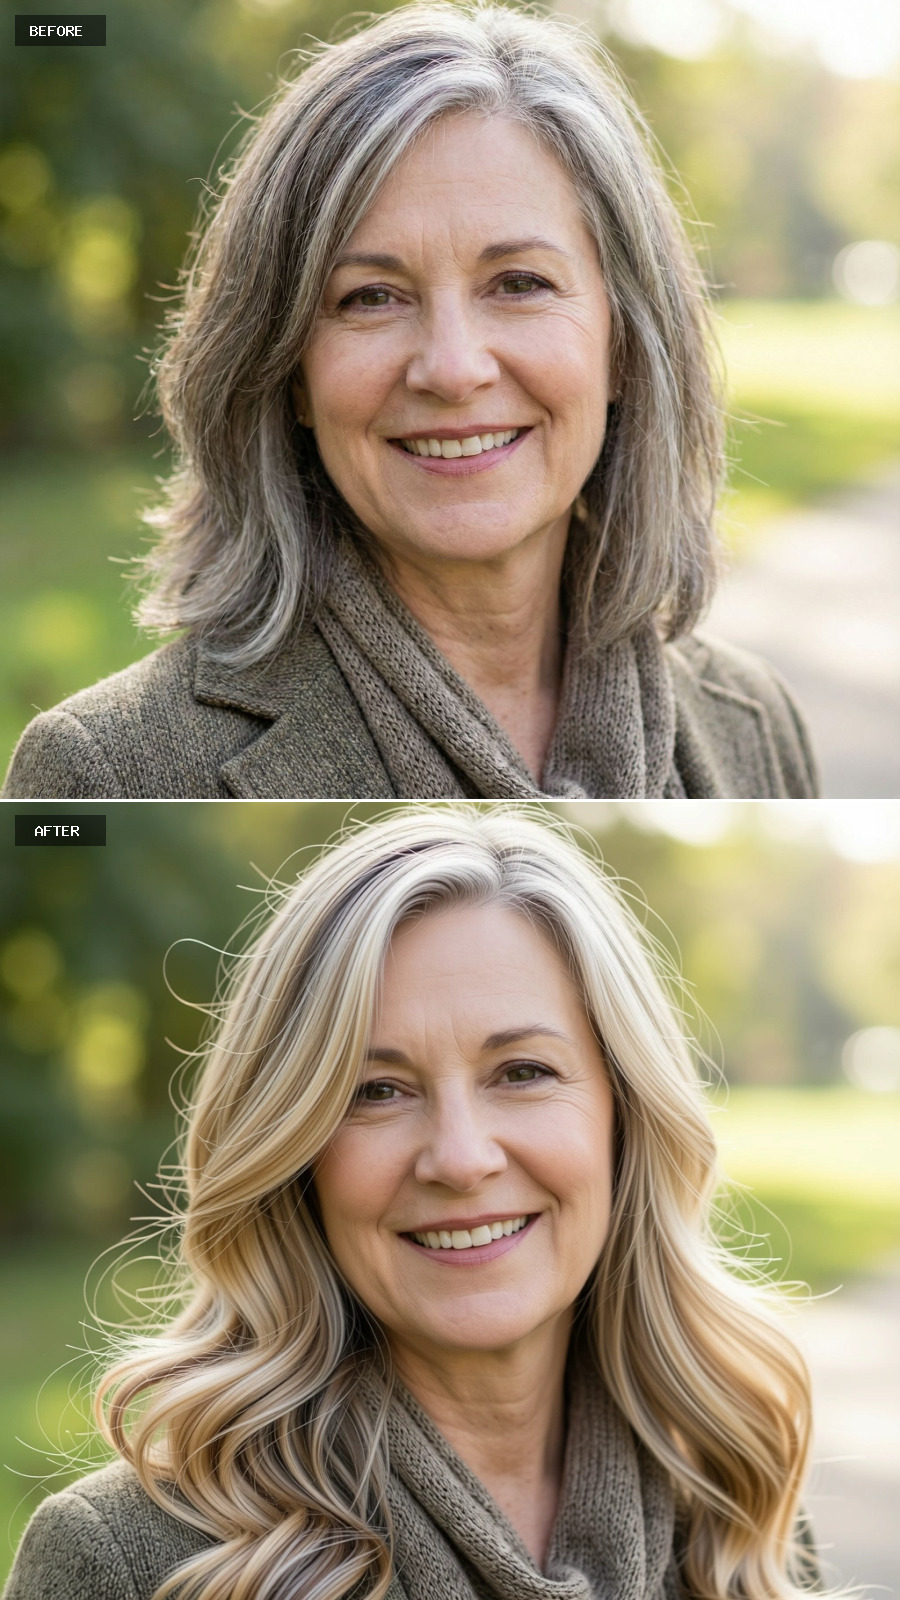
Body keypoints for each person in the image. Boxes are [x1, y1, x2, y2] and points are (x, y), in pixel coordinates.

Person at [4, 807, 826, 1600]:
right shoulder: (123, 1561)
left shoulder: (735, 1516)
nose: (461, 1159)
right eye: (378, 1090)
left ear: (626, 1115)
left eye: (523, 1072)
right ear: (297, 1158)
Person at [3, 4, 818, 802]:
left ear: (626, 346)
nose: (453, 368)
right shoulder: (106, 771)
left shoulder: (754, 722)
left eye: (520, 283)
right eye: (371, 298)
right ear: (288, 372)